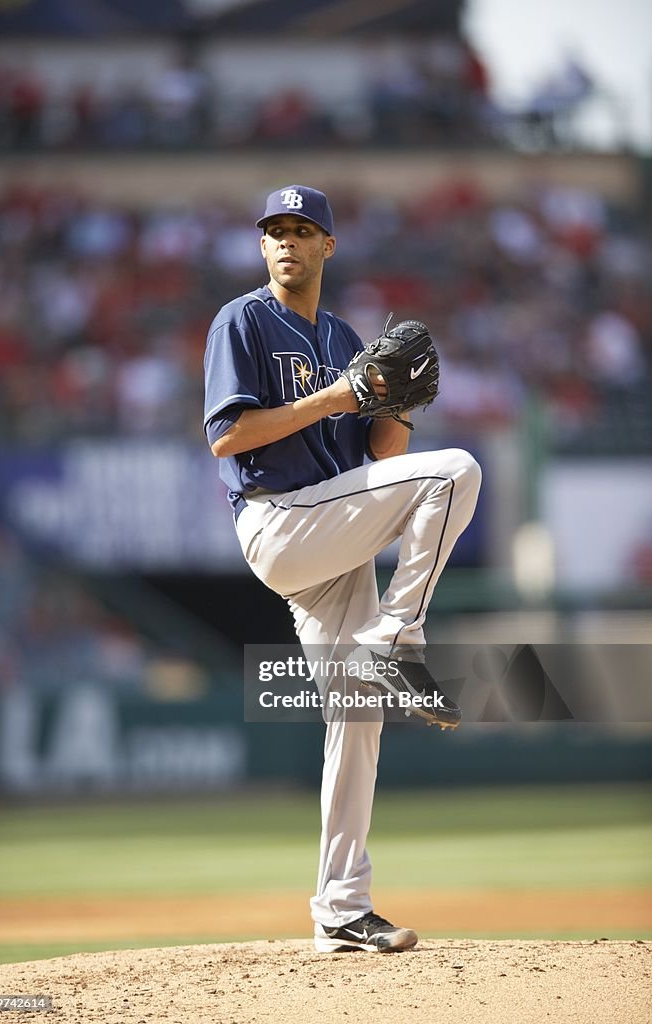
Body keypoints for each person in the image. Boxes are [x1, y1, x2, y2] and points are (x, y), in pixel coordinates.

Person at [203, 185, 481, 953]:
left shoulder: (344, 334)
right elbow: (228, 439)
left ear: (328, 245)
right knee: (455, 472)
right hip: (280, 519)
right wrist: (334, 396)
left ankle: (340, 910)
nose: (287, 240)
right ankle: (397, 636)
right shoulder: (243, 320)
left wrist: (399, 408)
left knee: (356, 717)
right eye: (276, 230)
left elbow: (380, 457)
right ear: (263, 246)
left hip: (334, 536)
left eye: (303, 229)